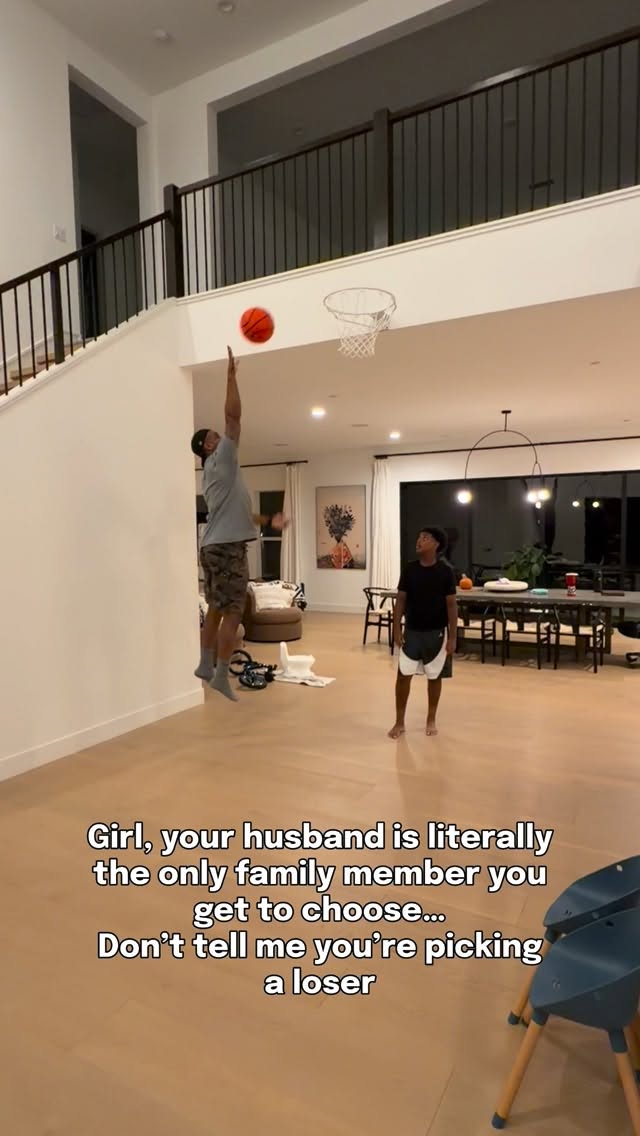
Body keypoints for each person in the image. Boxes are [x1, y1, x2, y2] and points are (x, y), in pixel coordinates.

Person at [191, 346, 286, 702]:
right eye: (214, 436)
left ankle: (205, 665)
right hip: (228, 549)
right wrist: (230, 378)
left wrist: (268, 520)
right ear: (207, 446)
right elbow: (234, 417)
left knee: (216, 608)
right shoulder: (222, 458)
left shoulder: (214, 474)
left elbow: (241, 514)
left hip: (212, 546)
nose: (222, 436)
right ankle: (219, 675)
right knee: (234, 611)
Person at [388, 526, 458, 739]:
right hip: (412, 631)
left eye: (425, 538)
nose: (419, 541)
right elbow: (401, 600)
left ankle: (431, 719)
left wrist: (453, 637)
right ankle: (399, 722)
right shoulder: (410, 569)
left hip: (436, 632)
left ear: (436, 544)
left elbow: (451, 605)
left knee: (434, 676)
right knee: (403, 676)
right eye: (419, 537)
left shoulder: (446, 572)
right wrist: (396, 628)